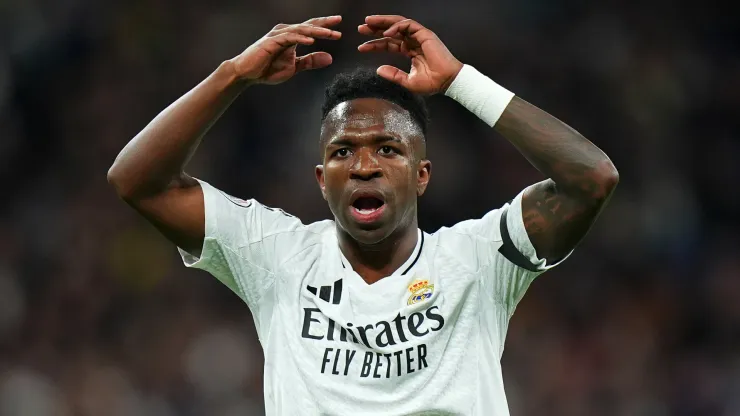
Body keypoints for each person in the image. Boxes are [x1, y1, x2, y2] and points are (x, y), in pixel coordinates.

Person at [107, 14, 618, 416]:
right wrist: (233, 75)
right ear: (320, 178)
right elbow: (136, 181)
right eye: (343, 152)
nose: (365, 166)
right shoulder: (278, 254)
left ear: (422, 175)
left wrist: (460, 81)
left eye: (389, 150)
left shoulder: (479, 258)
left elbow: (591, 179)